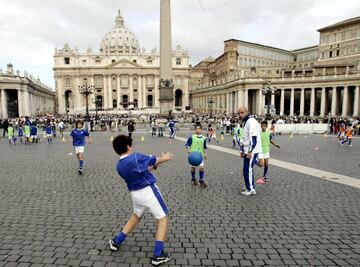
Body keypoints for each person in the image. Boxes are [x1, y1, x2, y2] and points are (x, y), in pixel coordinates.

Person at [109, 135, 173, 266]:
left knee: (136, 216)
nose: (132, 148)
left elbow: (140, 170)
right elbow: (154, 159)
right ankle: (158, 254)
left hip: (135, 194)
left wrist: (154, 167)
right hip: (149, 192)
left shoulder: (119, 165)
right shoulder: (135, 157)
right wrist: (165, 158)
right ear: (128, 147)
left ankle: (117, 241)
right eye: (131, 145)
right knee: (162, 218)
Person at [238, 107, 262, 196]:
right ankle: (249, 186)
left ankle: (251, 189)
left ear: (247, 112)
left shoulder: (250, 122)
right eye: (239, 113)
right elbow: (245, 137)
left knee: (248, 169)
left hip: (251, 150)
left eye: (242, 112)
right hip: (247, 149)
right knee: (247, 169)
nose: (240, 115)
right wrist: (242, 150)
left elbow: (253, 138)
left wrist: (250, 151)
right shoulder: (247, 121)